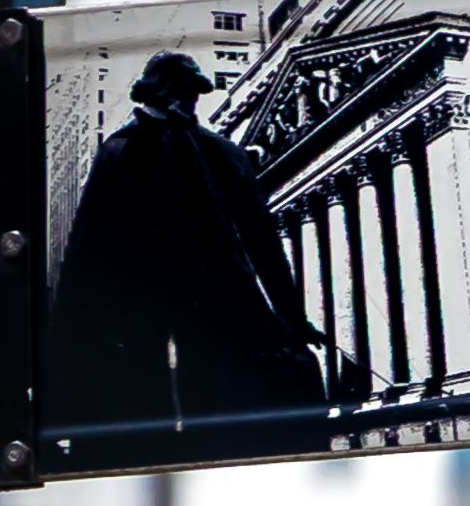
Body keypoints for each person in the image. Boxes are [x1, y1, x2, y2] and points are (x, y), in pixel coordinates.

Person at [50, 51, 333, 449]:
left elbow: (263, 241)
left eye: (192, 93)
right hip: (144, 308)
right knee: (147, 412)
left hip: (214, 301)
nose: (187, 101)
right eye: (180, 91)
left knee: (228, 405)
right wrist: (71, 338)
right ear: (157, 91)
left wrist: (293, 317)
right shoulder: (121, 150)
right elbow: (87, 250)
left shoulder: (221, 153)